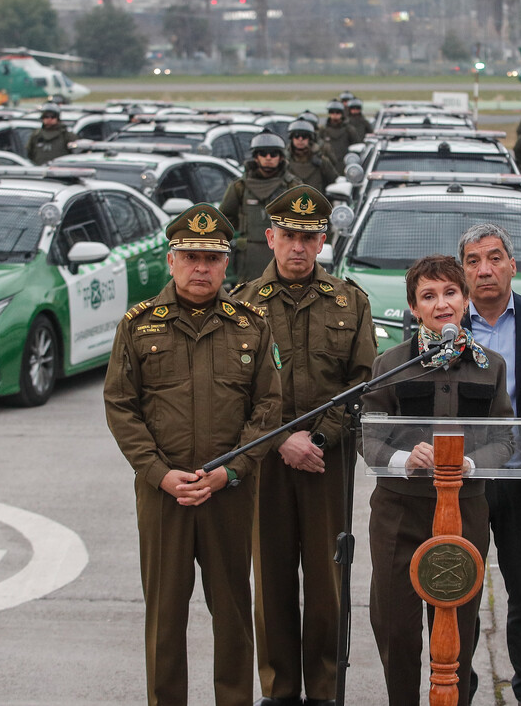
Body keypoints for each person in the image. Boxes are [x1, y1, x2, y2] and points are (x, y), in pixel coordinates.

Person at [104, 202, 283, 706]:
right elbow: (121, 406)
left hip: (228, 494)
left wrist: (232, 471)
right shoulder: (138, 326)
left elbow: (269, 407)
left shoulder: (250, 324)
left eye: (211, 257)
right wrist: (159, 474)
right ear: (170, 260)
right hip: (164, 497)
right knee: (164, 616)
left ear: (227, 264)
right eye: (190, 256)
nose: (200, 267)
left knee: (232, 613)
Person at [236, 185, 377, 706]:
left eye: (309, 237)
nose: (298, 246)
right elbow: (236, 392)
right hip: (266, 462)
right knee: (270, 581)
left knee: (327, 581)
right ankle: (279, 692)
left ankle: (323, 690)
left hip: (327, 462)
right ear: (270, 237)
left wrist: (316, 438)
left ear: (323, 242)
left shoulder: (350, 301)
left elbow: (362, 383)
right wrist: (280, 442)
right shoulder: (242, 305)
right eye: (289, 236)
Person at [361, 254, 515, 706]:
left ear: (466, 300)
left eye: (450, 293)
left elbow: (505, 438)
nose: (441, 303)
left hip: (464, 510)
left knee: (457, 627)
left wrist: (469, 462)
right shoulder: (390, 364)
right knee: (396, 626)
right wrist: (405, 457)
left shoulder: (491, 366)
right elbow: (368, 438)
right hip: (400, 513)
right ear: (414, 308)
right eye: (429, 296)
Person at [458, 223, 521, 706]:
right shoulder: (446, 326)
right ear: (463, 272)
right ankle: (458, 684)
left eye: (495, 258)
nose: (485, 269)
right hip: (463, 479)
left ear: (512, 266)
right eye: (474, 261)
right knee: (460, 588)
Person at [220, 132, 301, 282]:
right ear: (256, 157)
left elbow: (306, 221)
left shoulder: (293, 187)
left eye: (273, 153)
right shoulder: (240, 187)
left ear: (281, 157)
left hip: (283, 253)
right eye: (263, 153)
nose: (268, 157)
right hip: (249, 256)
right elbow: (224, 220)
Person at [284, 119, 339, 193]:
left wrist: (323, 165)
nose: (300, 139)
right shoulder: (283, 161)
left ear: (309, 138)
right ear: (292, 138)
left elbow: (333, 180)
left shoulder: (321, 160)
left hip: (317, 202)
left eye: (304, 136)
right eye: (296, 136)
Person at [318, 100, 355, 167]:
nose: (335, 115)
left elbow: (356, 146)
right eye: (332, 112)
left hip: (345, 163)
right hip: (328, 164)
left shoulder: (349, 129)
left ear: (341, 113)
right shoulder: (323, 130)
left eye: (337, 112)